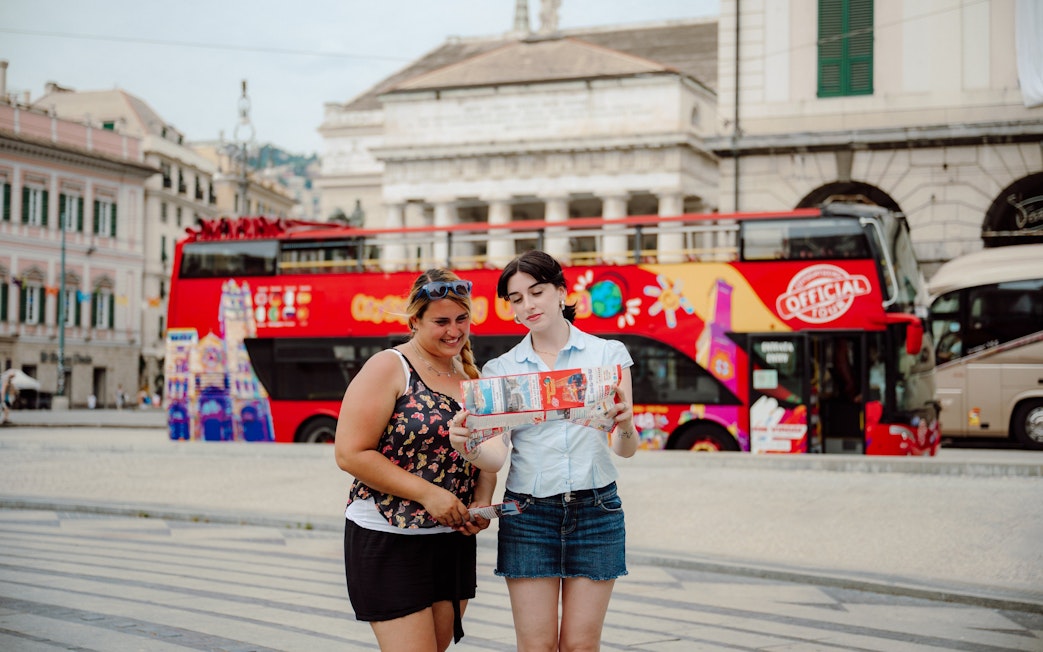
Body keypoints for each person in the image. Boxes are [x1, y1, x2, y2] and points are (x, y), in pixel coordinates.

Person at [449, 250, 638, 651]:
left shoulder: (608, 355)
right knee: (535, 646)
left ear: (561, 291)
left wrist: (624, 423)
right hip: (529, 515)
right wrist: (467, 446)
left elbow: (625, 450)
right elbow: (497, 457)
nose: (528, 305)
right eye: (516, 299)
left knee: (580, 646)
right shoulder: (502, 370)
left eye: (536, 292)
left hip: (597, 511)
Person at [334, 269, 496, 651]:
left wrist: (482, 499)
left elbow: (486, 451)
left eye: (461, 319)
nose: (454, 330)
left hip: (451, 540)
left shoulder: (469, 374)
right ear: (414, 321)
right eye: (441, 321)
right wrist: (428, 494)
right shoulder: (389, 366)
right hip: (389, 537)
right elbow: (350, 453)